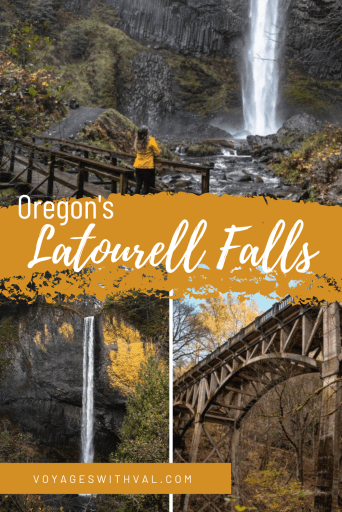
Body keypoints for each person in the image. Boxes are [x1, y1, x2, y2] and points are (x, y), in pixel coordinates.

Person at [133, 126, 161, 195]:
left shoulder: (137, 140)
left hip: (138, 166)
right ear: (147, 133)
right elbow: (158, 153)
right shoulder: (151, 140)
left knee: (138, 185)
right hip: (147, 167)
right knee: (146, 187)